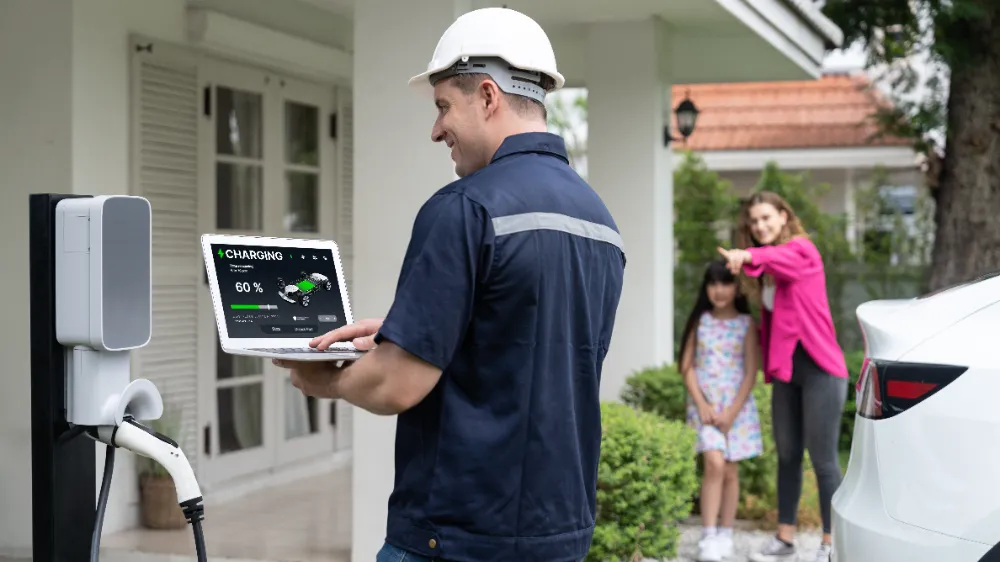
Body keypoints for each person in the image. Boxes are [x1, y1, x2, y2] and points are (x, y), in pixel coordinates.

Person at [272, 7, 626, 562]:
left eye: (443, 107)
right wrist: (409, 331)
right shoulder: (598, 220)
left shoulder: (464, 208)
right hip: (558, 534)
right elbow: (529, 345)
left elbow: (395, 385)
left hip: (454, 537)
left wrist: (328, 382)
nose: (436, 130)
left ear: (487, 96)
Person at [717, 191, 848, 562]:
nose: (759, 227)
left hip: (822, 369)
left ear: (784, 216)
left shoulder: (801, 250)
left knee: (823, 460)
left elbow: (781, 258)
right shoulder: (770, 274)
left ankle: (831, 543)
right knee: (788, 455)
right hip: (788, 372)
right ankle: (785, 539)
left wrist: (747, 255)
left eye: (766, 218)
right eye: (754, 222)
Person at [678, 259, 763, 562]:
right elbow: (686, 367)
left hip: (736, 409)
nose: (719, 290)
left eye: (725, 283)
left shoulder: (745, 324)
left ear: (736, 287)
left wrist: (732, 411)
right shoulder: (701, 321)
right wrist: (701, 404)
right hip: (705, 407)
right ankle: (708, 534)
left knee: (730, 469)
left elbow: (751, 371)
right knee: (714, 462)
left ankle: (726, 532)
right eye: (712, 283)